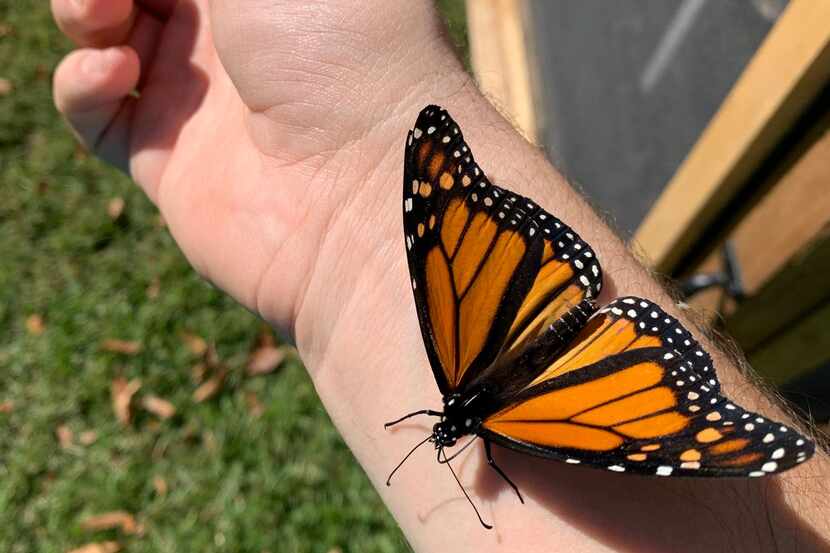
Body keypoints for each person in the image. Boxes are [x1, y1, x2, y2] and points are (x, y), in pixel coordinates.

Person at [50, 1, 828, 551]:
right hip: (541, 310)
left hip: (548, 332)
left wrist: (367, 132)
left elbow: (451, 219)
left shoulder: (493, 413)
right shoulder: (475, 389)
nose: (451, 441)